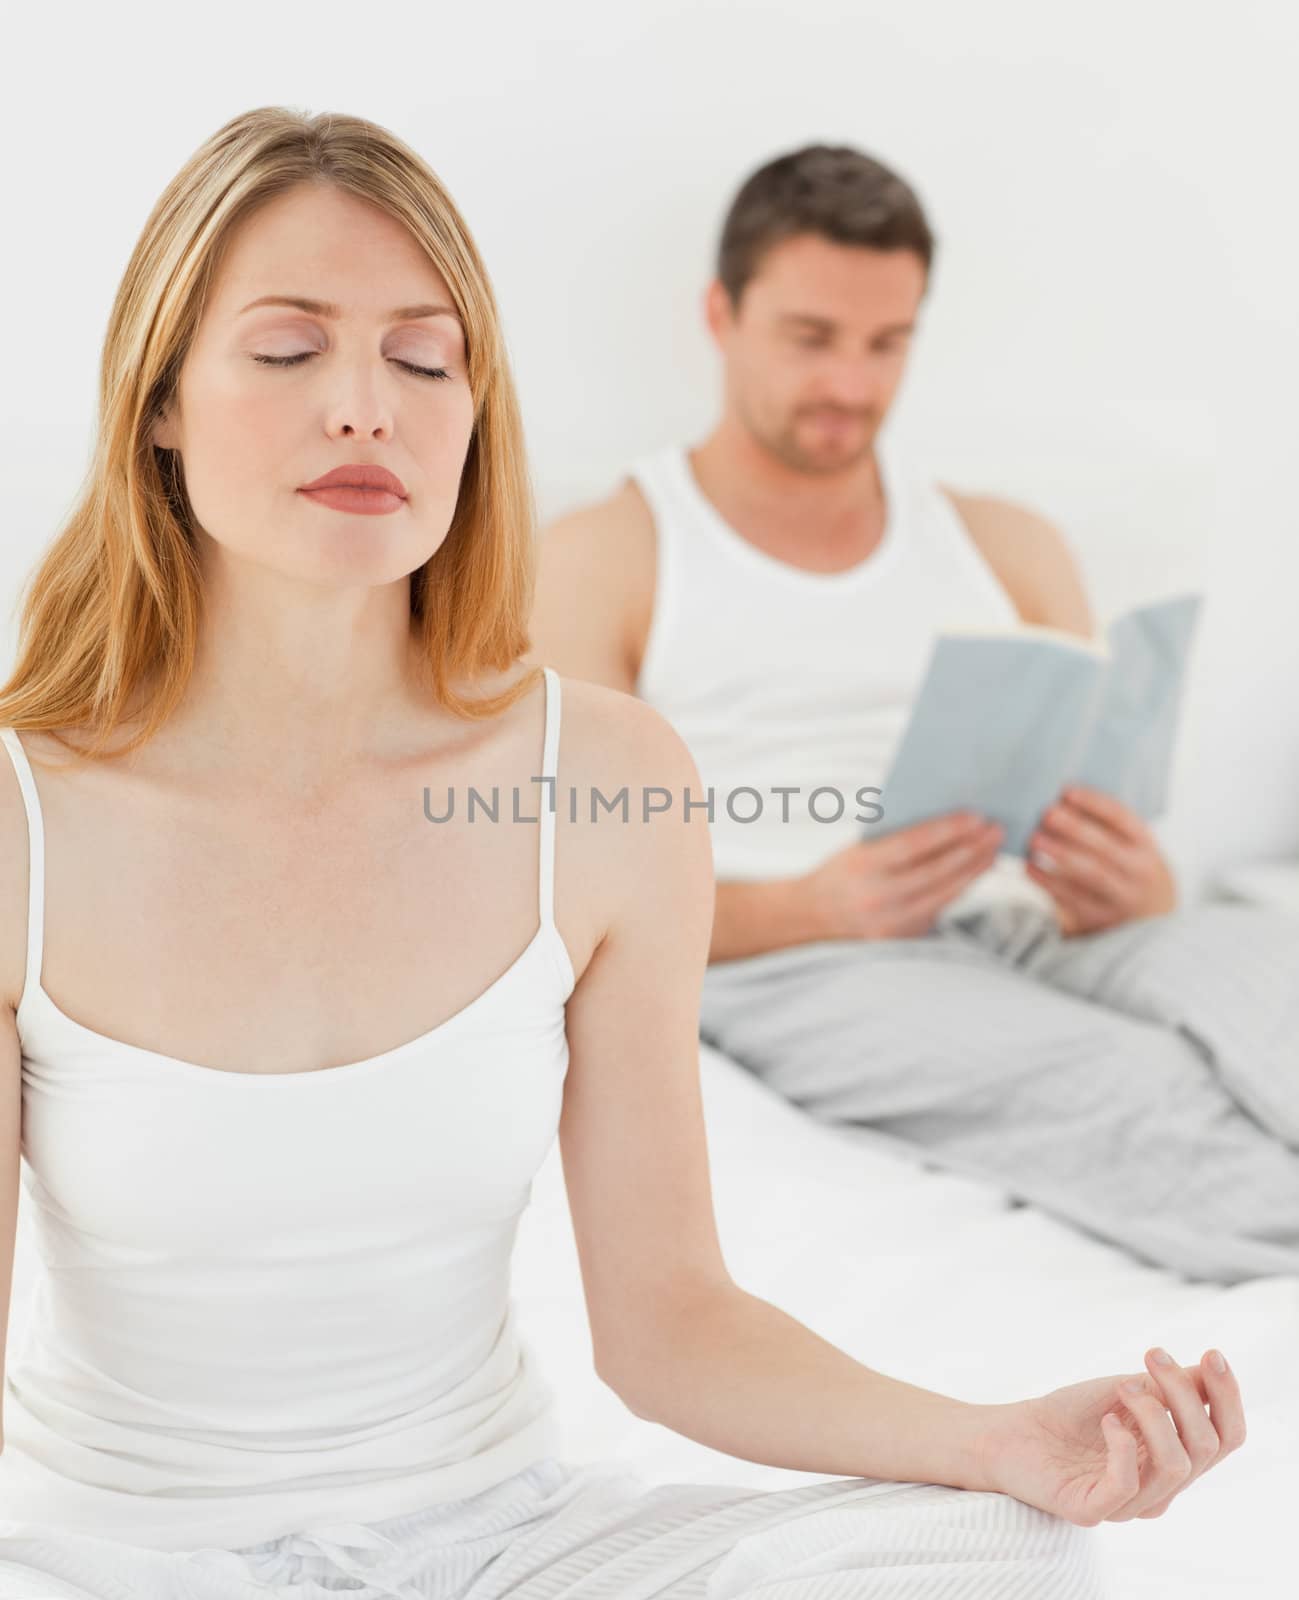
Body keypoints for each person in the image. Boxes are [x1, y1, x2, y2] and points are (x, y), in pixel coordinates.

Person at [0, 109, 1243, 1600]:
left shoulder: (600, 781)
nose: (362, 409)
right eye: (285, 352)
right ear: (160, 403)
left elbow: (669, 1326)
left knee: (1014, 1551)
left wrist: (997, 1444)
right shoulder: (27, 813)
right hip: (128, 1558)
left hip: (498, 1540)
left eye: (420, 358)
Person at [529, 143, 1299, 1288]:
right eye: (811, 338)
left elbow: (1095, 784)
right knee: (1138, 1098)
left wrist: (1140, 883)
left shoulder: (1004, 542)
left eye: (887, 344)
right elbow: (570, 903)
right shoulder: (609, 554)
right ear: (721, 314)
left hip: (1041, 921)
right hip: (806, 953)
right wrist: (812, 901)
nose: (852, 384)